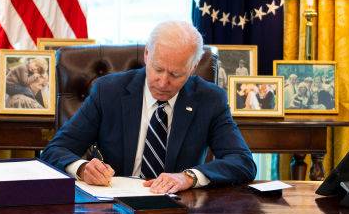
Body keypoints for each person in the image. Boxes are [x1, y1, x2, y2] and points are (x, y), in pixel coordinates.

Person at [40, 21, 256, 194]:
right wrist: (82, 168)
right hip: (115, 208)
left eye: (175, 74)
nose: (163, 82)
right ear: (146, 55)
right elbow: (55, 150)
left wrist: (188, 177)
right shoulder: (108, 92)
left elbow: (242, 162)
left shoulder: (210, 99)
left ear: (192, 68)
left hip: (179, 211)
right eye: (158, 69)